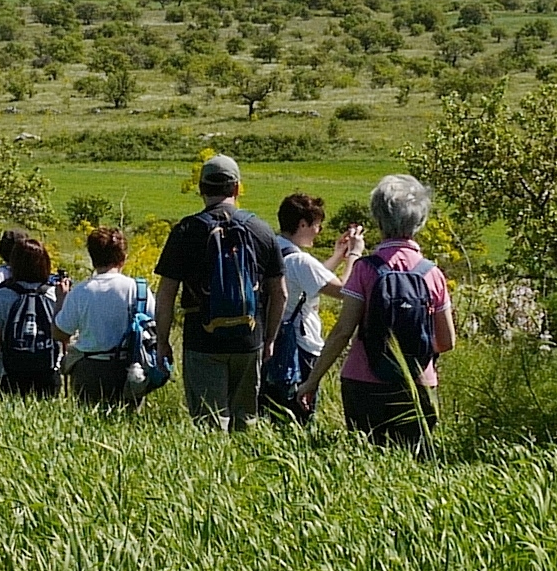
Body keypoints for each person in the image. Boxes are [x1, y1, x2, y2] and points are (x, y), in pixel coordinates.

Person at [302, 173, 457, 451]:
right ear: (419, 220)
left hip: (363, 382)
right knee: (414, 463)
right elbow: (447, 342)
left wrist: (312, 381)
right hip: (418, 384)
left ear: (379, 218)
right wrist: (414, 351)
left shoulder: (365, 269)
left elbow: (341, 333)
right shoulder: (432, 274)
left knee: (368, 460)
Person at [150, 153, 285, 430]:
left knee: (208, 423)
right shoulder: (261, 229)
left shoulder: (186, 231)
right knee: (246, 422)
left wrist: (162, 341)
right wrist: (269, 338)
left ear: (201, 189)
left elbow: (166, 294)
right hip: (249, 339)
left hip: (202, 340)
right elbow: (280, 292)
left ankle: (215, 472)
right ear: (236, 188)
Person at [261, 191, 356, 425]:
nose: (318, 231)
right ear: (303, 224)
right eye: (317, 225)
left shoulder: (273, 250)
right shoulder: (300, 261)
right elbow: (344, 290)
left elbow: (311, 280)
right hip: (298, 347)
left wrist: (336, 256)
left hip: (271, 339)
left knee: (270, 409)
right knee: (298, 414)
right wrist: (354, 255)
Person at [56, 227, 149, 411]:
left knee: (88, 423)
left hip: (89, 368)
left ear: (92, 258)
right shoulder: (138, 290)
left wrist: (60, 300)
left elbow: (59, 332)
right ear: (123, 258)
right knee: (128, 426)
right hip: (130, 368)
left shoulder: (81, 291)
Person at [0, 230, 69, 398]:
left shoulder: (2, 294)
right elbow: (64, 336)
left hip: (9, 371)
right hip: (48, 370)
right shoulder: (54, 294)